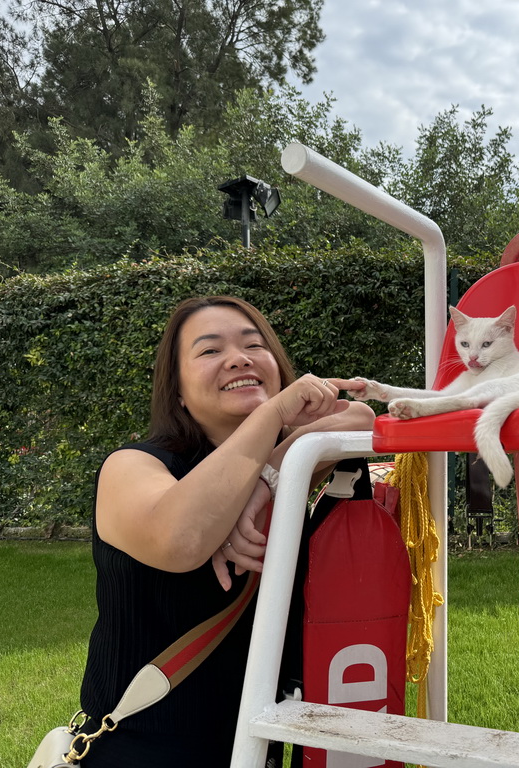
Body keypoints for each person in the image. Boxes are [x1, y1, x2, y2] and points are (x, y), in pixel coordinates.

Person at [77, 296, 375, 766]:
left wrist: (267, 476)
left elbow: (360, 416)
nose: (239, 357)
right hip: (142, 748)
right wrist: (272, 417)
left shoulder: (296, 463)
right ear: (176, 390)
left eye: (254, 345)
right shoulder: (132, 466)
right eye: (210, 350)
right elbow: (181, 540)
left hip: (257, 745)